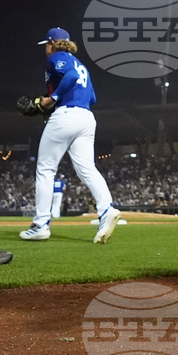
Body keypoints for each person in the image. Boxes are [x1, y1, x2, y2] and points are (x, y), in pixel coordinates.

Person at [18, 28, 120, 244]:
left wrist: (49, 100)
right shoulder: (79, 63)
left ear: (53, 43)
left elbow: (70, 77)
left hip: (67, 115)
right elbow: (92, 96)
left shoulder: (57, 57)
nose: (46, 48)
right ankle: (106, 209)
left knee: (45, 169)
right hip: (86, 117)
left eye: (47, 44)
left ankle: (40, 225)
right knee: (87, 168)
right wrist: (55, 100)